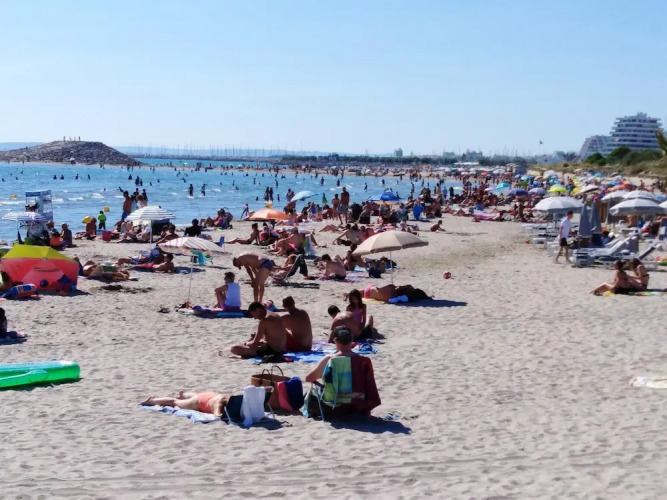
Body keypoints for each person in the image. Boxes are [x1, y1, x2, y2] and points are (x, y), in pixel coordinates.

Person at [140, 391, 231, 417]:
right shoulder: (218, 405)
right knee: (174, 402)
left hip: (209, 395)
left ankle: (184, 395)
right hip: (199, 402)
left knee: (196, 396)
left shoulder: (227, 398)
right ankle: (151, 401)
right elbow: (217, 415)